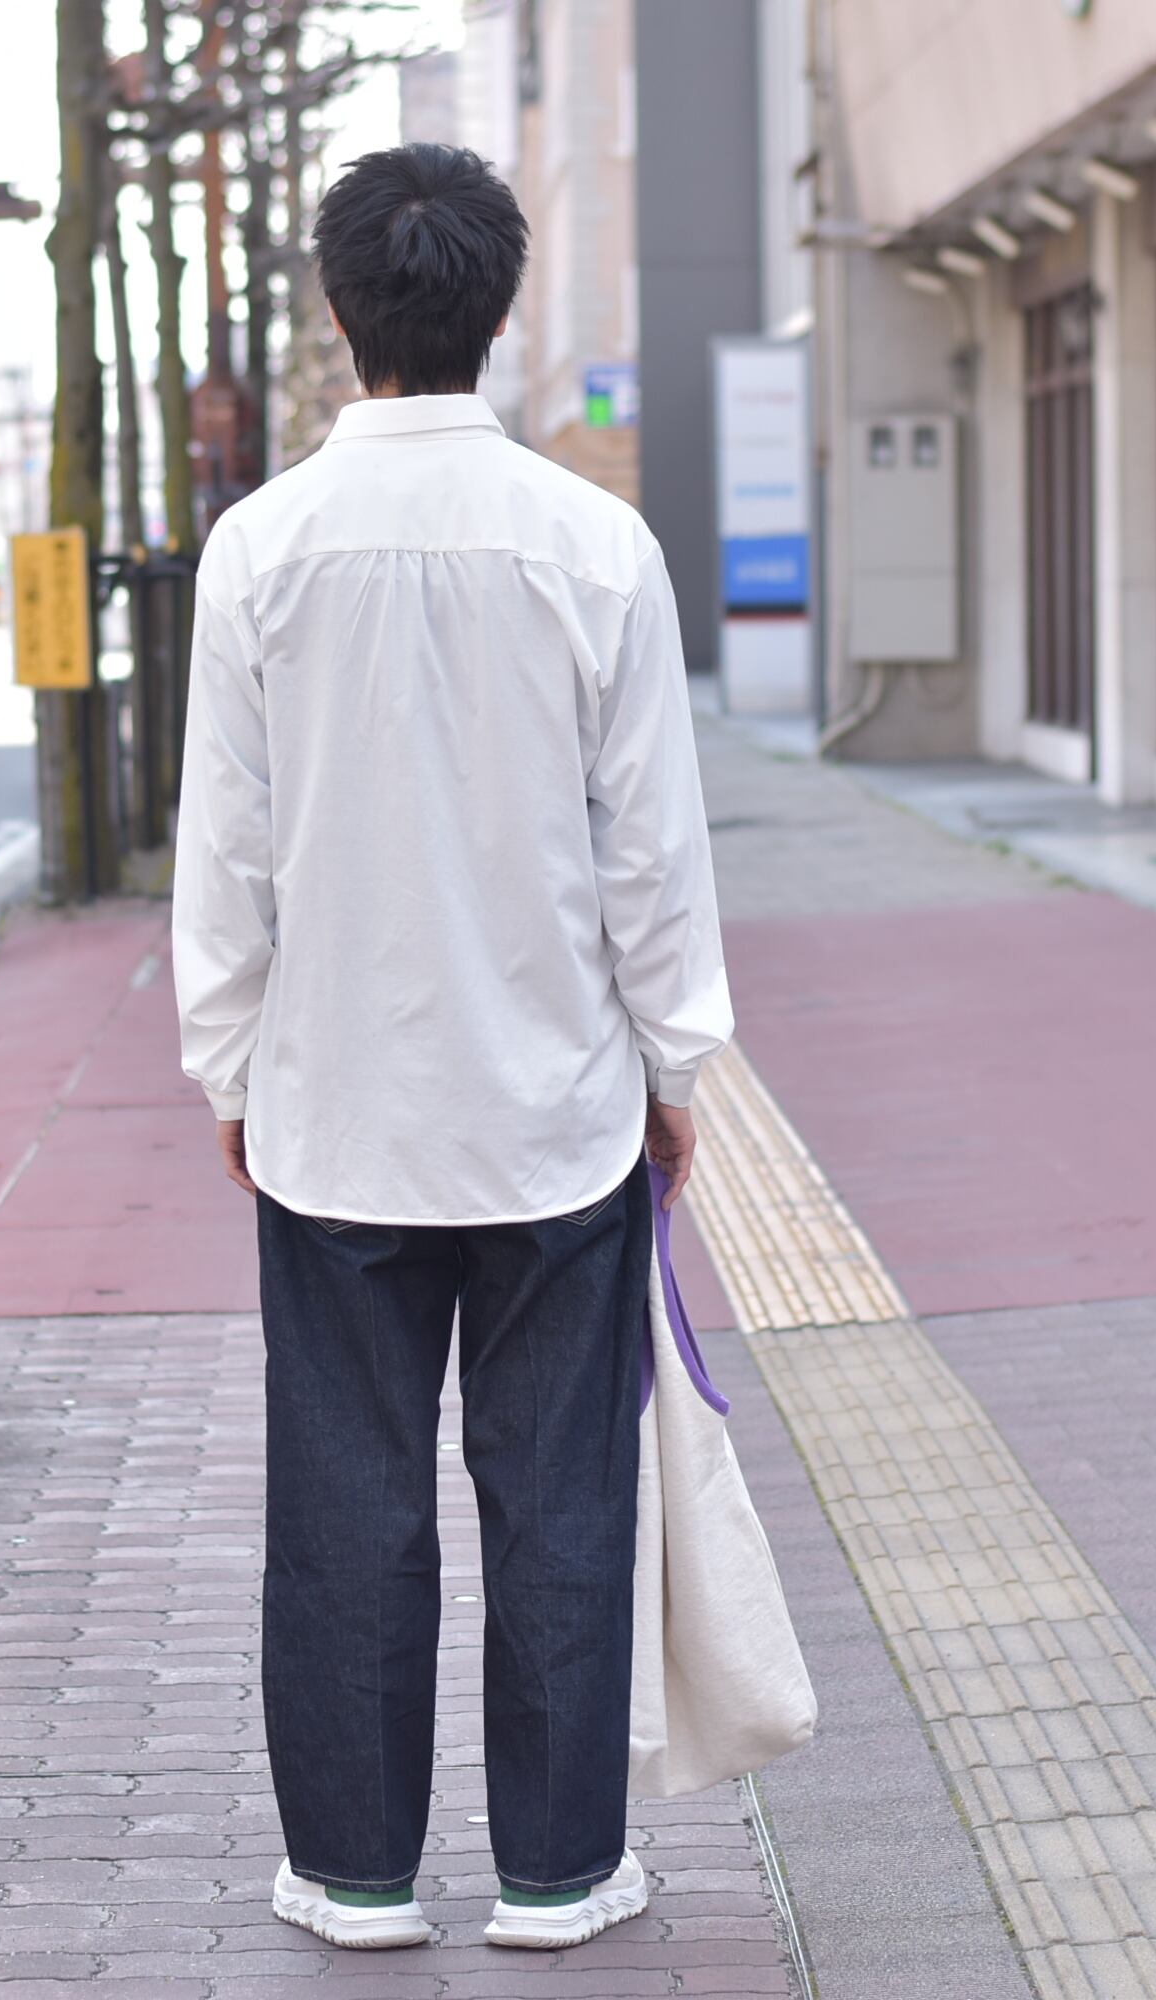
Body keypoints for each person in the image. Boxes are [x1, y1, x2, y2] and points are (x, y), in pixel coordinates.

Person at [173, 142, 729, 1954]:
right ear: (497, 309)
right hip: (554, 1106)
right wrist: (673, 1069)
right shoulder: (594, 544)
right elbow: (651, 848)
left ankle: (356, 1873)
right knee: (557, 1493)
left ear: (341, 309)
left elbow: (228, 848)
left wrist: (229, 1070)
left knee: (345, 1502)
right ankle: (559, 1875)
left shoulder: (261, 549)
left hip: (333, 1107)